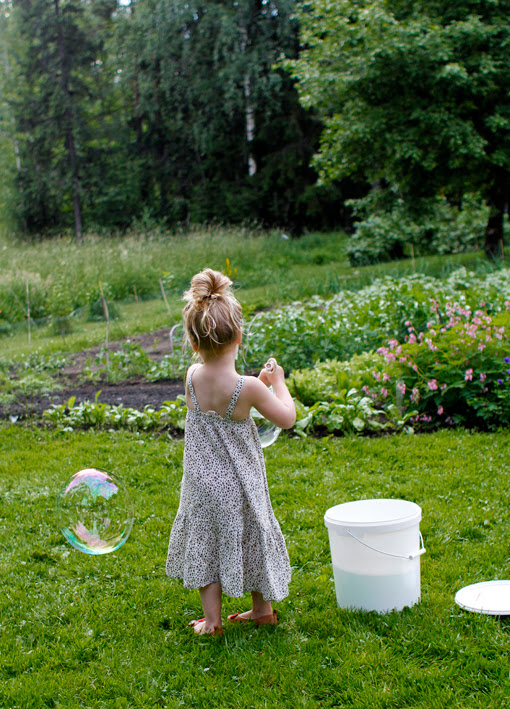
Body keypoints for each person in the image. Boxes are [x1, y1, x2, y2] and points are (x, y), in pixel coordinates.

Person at [166, 268, 296, 636]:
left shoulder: (192, 376)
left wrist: (259, 384)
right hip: (241, 485)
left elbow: (222, 396)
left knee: (206, 543)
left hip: (202, 485)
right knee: (253, 538)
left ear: (194, 344)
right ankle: (262, 610)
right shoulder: (249, 387)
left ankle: (212, 622)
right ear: (239, 335)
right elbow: (286, 418)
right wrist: (277, 383)